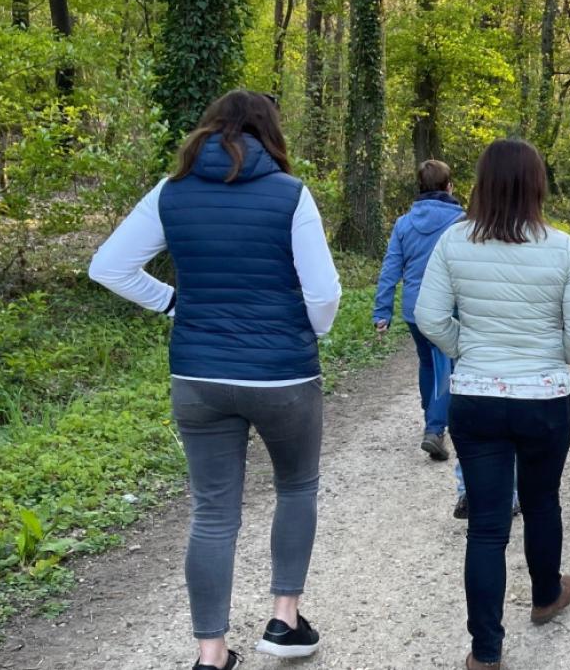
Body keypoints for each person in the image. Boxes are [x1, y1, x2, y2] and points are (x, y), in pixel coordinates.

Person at [89, 90, 339, 670]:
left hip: (198, 374)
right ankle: (284, 621)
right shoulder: (290, 194)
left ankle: (211, 654)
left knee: (213, 512)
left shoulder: (171, 191)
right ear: (269, 132)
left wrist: (172, 304)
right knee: (296, 487)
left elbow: (109, 266)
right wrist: (308, 333)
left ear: (209, 129)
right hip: (283, 376)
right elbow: (324, 293)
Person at [416, 138, 570, 670]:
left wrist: (467, 351)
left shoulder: (454, 243)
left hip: (476, 397)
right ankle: (546, 596)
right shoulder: (561, 247)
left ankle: (486, 651)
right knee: (543, 501)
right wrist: (554, 357)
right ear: (536, 184)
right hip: (544, 398)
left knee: (488, 526)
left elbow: (430, 318)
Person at [374, 159, 464, 464]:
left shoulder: (404, 223)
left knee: (428, 363)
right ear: (448, 187)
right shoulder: (461, 222)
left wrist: (381, 311)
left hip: (414, 308)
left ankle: (431, 418)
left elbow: (390, 269)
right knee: (445, 367)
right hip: (447, 306)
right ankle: (435, 429)